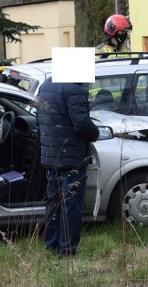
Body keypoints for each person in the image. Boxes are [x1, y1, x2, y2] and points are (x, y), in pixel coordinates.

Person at [37, 79, 100, 256]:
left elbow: (38, 119)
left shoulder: (46, 85)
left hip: (51, 156)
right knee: (71, 204)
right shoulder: (74, 90)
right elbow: (80, 122)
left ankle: (51, 245)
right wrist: (96, 134)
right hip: (71, 157)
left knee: (54, 202)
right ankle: (67, 249)